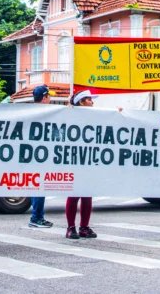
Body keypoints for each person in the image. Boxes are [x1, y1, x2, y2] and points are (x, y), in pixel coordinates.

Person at [65, 90, 98, 239]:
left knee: (87, 193)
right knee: (74, 193)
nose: (92, 102)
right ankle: (71, 228)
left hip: (89, 158)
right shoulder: (71, 115)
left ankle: (84, 226)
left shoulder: (94, 116)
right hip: (75, 158)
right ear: (82, 102)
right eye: (90, 100)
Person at [28, 85, 55, 228]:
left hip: (34, 155)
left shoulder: (30, 112)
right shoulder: (44, 113)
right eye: (49, 96)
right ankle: (36, 217)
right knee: (39, 187)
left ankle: (37, 216)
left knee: (36, 187)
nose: (50, 98)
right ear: (44, 98)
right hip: (38, 156)